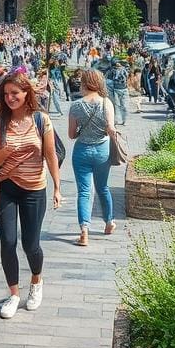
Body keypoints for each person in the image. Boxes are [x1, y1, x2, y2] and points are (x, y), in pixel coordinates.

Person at [0, 72, 62, 319]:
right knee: (8, 241)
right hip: (7, 186)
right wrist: (7, 150)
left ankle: (36, 282)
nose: (10, 98)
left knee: (31, 243)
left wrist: (57, 188)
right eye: (6, 94)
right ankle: (14, 293)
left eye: (14, 93)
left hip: (34, 189)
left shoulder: (41, 120)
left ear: (26, 93)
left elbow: (50, 155)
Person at [67, 69, 117, 247]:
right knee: (103, 188)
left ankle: (84, 231)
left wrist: (82, 130)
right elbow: (110, 127)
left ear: (84, 84)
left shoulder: (76, 105)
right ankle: (109, 222)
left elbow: (71, 135)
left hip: (81, 151)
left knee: (84, 191)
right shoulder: (106, 103)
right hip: (102, 151)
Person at [108, 59, 129, 126]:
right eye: (116, 63)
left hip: (124, 89)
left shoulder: (124, 69)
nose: (118, 64)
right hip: (116, 90)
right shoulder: (112, 70)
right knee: (116, 106)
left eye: (118, 62)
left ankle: (124, 120)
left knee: (124, 106)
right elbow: (109, 81)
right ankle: (116, 120)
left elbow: (128, 76)